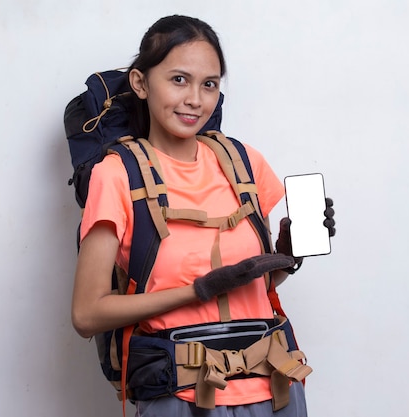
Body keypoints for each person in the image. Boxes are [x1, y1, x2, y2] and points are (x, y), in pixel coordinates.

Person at [71, 15, 334, 417]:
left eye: (209, 84)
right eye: (179, 79)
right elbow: (87, 315)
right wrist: (199, 290)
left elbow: (252, 286)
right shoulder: (117, 174)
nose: (196, 98)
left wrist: (287, 253)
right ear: (141, 83)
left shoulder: (244, 162)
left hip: (276, 388)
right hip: (180, 397)